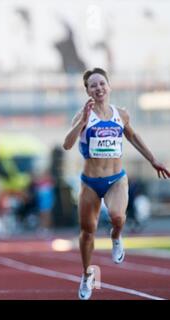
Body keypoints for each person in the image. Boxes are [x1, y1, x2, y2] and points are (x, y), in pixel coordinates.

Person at [63, 67, 170, 300]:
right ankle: (86, 274)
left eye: (102, 83)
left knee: (117, 216)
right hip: (90, 182)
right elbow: (67, 145)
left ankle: (115, 236)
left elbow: (132, 136)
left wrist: (153, 160)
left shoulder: (120, 114)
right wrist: (81, 122)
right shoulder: (83, 116)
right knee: (87, 232)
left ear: (109, 87)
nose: (99, 88)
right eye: (93, 85)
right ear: (88, 91)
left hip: (116, 179)